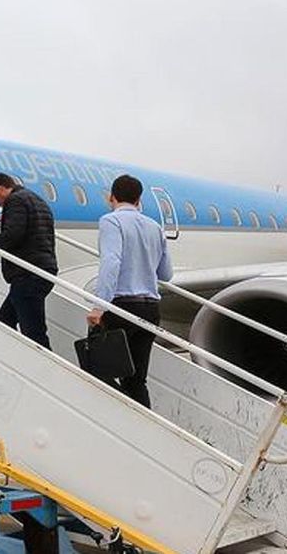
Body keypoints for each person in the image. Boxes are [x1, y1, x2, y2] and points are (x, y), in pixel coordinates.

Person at [87, 174, 173, 408]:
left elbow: (111, 262)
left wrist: (99, 306)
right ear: (139, 199)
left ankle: (116, 420)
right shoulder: (154, 226)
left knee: (96, 370)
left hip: (121, 307)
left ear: (111, 197)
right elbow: (166, 274)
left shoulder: (111, 221)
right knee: (136, 380)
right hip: (150, 309)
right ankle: (144, 430)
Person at [0, 173, 58, 349]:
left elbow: (13, 236)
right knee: (5, 320)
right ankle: (18, 363)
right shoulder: (34, 199)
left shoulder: (15, 201)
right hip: (41, 270)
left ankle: (43, 371)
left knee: (34, 333)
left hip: (28, 274)